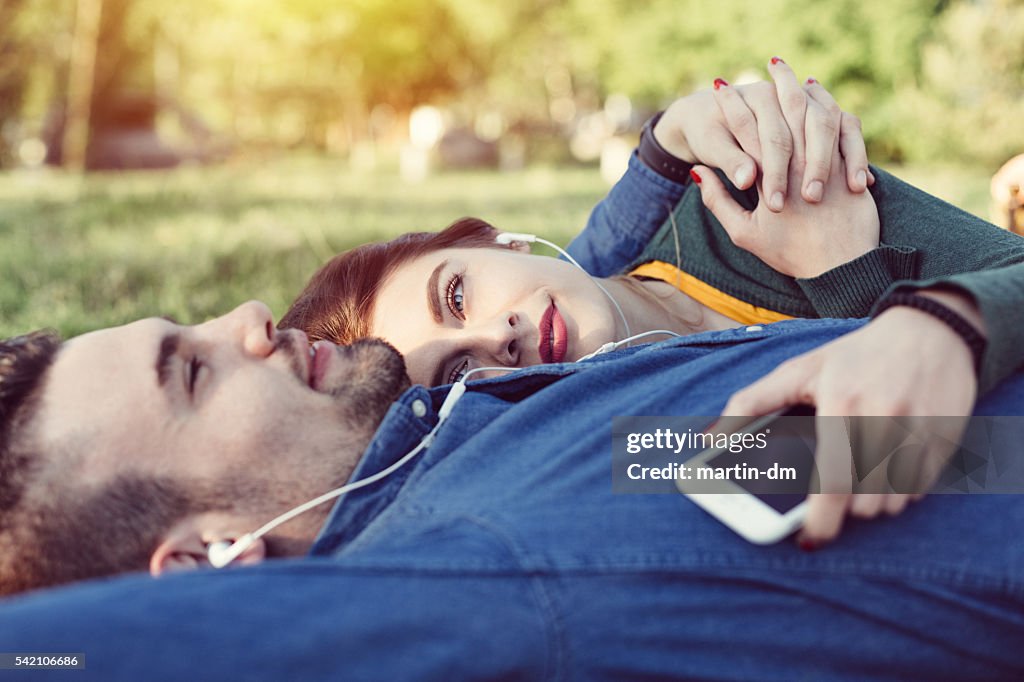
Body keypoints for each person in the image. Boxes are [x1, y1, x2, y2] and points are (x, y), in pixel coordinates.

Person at [0, 302, 1022, 680]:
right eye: (192, 371)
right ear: (201, 568)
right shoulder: (481, 570)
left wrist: (954, 314)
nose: (250, 318)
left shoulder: (494, 457)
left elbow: (963, 475)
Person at [281, 59, 1016, 541]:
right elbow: (985, 463)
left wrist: (852, 273)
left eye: (456, 294)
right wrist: (849, 280)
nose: (495, 339)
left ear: (497, 240)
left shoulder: (747, 195)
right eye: (455, 379)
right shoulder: (637, 451)